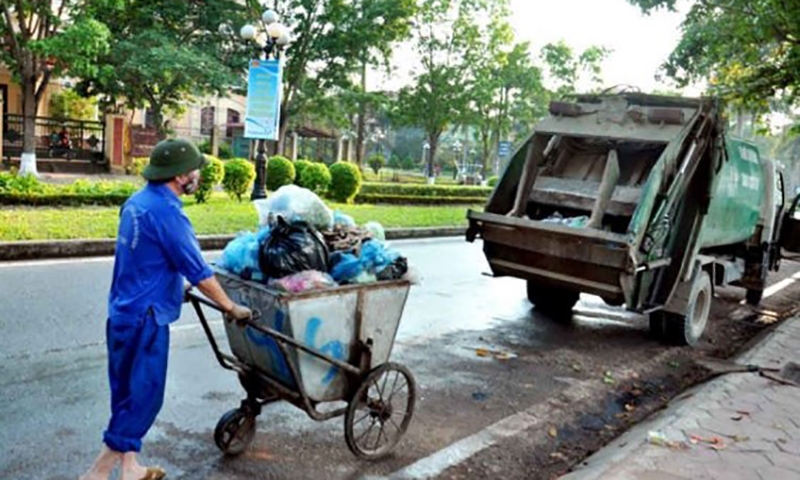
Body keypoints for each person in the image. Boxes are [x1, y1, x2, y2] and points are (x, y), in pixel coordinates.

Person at [80, 139, 252, 480]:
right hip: (147, 319)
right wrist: (231, 307)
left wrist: (173, 286)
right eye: (196, 171)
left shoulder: (136, 203)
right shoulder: (168, 214)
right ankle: (97, 474)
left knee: (126, 395)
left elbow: (147, 259)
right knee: (145, 398)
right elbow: (199, 271)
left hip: (121, 314)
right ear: (180, 177)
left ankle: (129, 468)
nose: (199, 177)